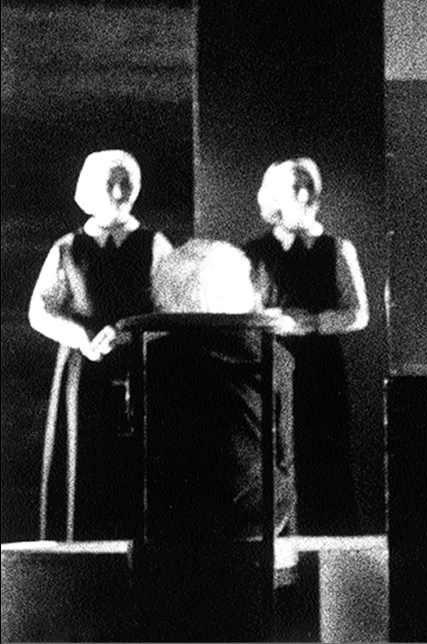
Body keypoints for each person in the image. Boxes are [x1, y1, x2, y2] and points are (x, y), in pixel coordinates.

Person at [136, 238, 297, 641]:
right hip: (258, 513)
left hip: (179, 519)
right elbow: (284, 453)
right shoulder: (276, 355)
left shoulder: (158, 358)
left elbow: (147, 453)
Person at [29, 149, 173, 540]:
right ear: (92, 187)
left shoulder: (155, 245)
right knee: (84, 461)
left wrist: (128, 335)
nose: (120, 191)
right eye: (111, 182)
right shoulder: (67, 248)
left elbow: (173, 310)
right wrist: (82, 338)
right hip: (83, 370)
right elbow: (40, 311)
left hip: (142, 368)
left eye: (127, 182)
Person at [243, 157, 369, 534]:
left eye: (308, 186)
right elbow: (242, 313)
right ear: (274, 196)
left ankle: (330, 538)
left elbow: (359, 313)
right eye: (294, 187)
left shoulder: (338, 248)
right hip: (272, 364)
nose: (303, 195)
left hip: (322, 367)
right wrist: (276, 319)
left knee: (325, 451)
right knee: (276, 449)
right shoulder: (254, 252)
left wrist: (313, 323)